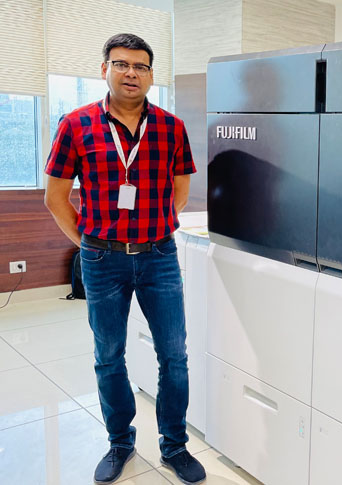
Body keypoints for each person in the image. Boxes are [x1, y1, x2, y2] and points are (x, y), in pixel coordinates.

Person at [44, 33, 205, 485]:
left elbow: (180, 190)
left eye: (140, 66)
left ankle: (174, 445)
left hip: (159, 257)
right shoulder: (75, 124)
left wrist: (152, 228)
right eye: (121, 64)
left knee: (174, 355)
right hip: (102, 261)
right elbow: (55, 198)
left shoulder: (171, 127)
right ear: (105, 70)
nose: (131, 73)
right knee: (109, 355)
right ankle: (120, 442)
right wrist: (90, 242)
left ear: (151, 75)